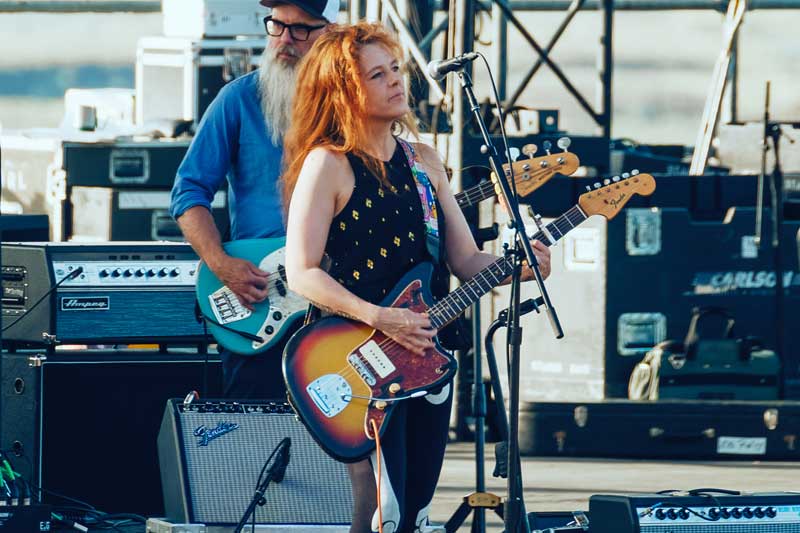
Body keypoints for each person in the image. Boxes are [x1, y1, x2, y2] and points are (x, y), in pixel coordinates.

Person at [281, 22, 551, 533]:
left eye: (396, 69)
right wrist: (382, 316)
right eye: (376, 75)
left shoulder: (424, 161)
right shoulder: (328, 165)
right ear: (345, 90)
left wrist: (520, 266)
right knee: (385, 511)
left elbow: (466, 260)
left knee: (418, 511)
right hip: (357, 357)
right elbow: (302, 272)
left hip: (427, 354)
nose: (395, 82)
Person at [169, 0, 339, 399]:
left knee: (336, 437)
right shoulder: (238, 99)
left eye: (299, 30)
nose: (284, 40)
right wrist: (220, 263)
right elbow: (188, 191)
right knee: (252, 433)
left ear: (328, 34)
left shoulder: (352, 107)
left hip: (338, 300)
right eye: (277, 26)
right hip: (261, 297)